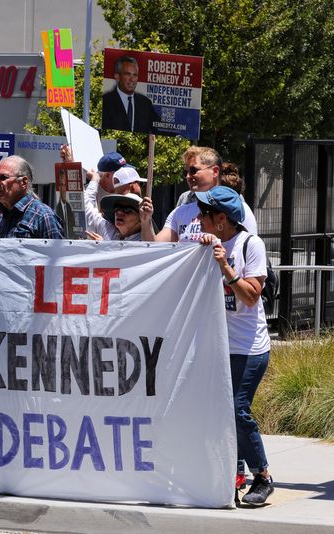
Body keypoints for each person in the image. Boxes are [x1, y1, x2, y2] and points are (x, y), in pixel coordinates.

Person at [196, 186, 274, 505]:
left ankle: (262, 476)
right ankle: (233, 476)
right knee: (220, 413)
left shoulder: (249, 244)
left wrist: (226, 268)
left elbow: (252, 296)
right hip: (219, 347)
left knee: (237, 409)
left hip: (249, 348)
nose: (199, 218)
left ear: (221, 219)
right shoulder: (205, 244)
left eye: (205, 214)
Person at [150, 147, 258, 242]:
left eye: (193, 170)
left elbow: (248, 248)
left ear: (215, 171)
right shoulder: (180, 211)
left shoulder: (237, 208)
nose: (188, 176)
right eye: (185, 172)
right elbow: (155, 247)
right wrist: (146, 220)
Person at [0, 155, 65, 239]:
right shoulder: (2, 217)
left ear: (23, 182)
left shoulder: (43, 215)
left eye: (3, 177)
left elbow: (56, 251)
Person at [102, 55, 159, 133]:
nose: (132, 79)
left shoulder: (145, 103)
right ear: (117, 77)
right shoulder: (106, 101)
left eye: (134, 75)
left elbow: (158, 127)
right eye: (127, 74)